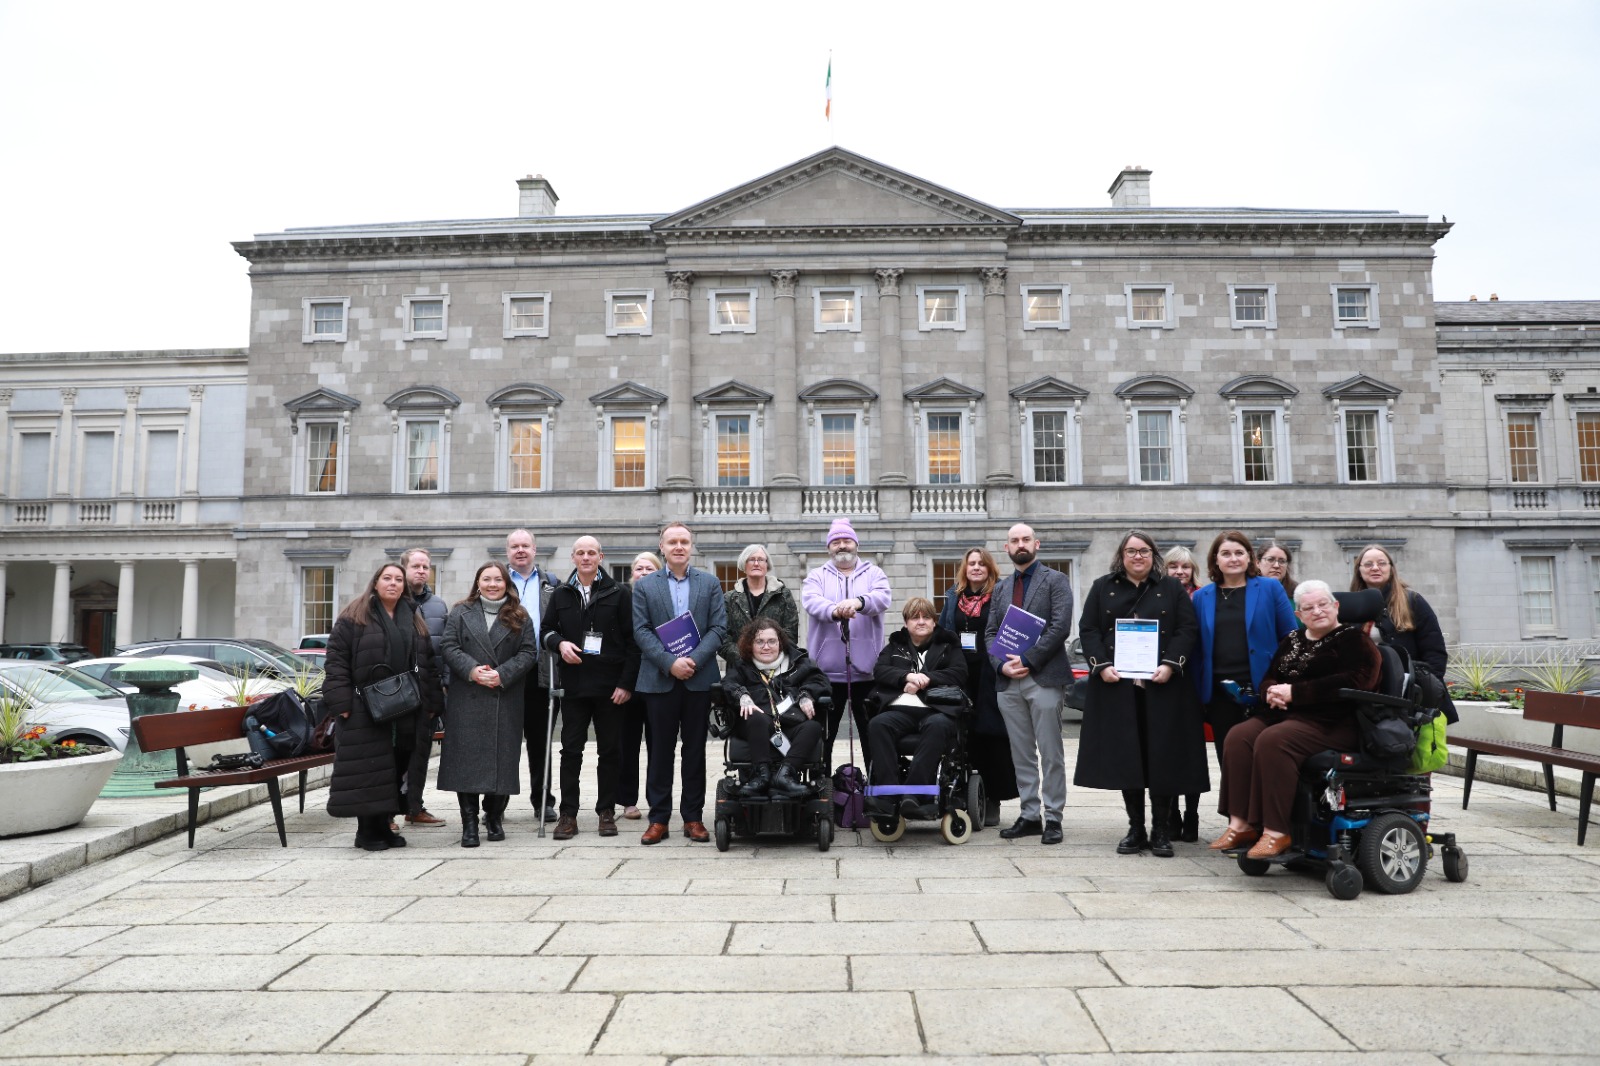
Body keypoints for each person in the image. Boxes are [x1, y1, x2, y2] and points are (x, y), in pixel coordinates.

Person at [1211, 579, 1382, 858]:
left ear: (1336, 606)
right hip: (1285, 715)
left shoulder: (1355, 640)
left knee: (1273, 740)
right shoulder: (1292, 639)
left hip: (1333, 721)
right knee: (1238, 736)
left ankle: (1276, 831)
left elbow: (1359, 680)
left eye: (1322, 604)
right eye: (1308, 608)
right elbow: (1269, 676)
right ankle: (1241, 824)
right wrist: (1272, 692)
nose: (1317, 611)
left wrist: (1296, 693)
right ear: (1299, 615)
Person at [1074, 530, 1209, 858]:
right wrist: (1101, 664)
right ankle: (1135, 828)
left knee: (1161, 756)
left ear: (1153, 555)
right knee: (1126, 757)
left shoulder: (1171, 587)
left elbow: (1186, 629)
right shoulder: (1102, 587)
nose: (1138, 557)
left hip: (1163, 685)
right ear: (1122, 555)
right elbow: (1089, 629)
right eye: (1132, 551)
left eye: (1144, 551)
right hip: (1117, 685)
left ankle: (1160, 829)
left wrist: (1170, 664)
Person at [323, 562, 444, 851]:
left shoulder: (414, 618)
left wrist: (432, 703)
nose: (393, 583)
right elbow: (336, 661)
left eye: (398, 579)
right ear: (375, 582)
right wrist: (342, 704)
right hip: (364, 707)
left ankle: (386, 825)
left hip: (406, 706)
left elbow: (427, 663)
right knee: (370, 769)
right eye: (387, 578)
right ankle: (367, 832)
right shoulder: (354, 616)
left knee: (396, 765)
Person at [1186, 531, 1298, 842]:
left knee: (1265, 754)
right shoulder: (1202, 597)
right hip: (1220, 692)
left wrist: (1284, 683)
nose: (1233, 558)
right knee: (1230, 759)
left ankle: (1269, 824)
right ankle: (1241, 824)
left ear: (1250, 558)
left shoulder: (1270, 588)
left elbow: (1290, 639)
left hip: (1264, 690)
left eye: (1239, 552)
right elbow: (1196, 650)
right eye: (1226, 553)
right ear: (1215, 561)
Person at [631, 521, 726, 844]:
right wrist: (670, 663)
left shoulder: (710, 583)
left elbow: (718, 628)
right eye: (672, 541)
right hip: (659, 680)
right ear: (662, 547)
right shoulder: (645, 586)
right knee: (659, 752)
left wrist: (694, 661)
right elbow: (641, 631)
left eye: (684, 541)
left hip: (699, 681)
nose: (679, 547)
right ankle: (658, 819)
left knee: (695, 751)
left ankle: (693, 818)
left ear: (691, 546)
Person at [541, 536, 640, 839]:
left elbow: (633, 642)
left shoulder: (619, 593)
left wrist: (626, 683)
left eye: (591, 553)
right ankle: (568, 814)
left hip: (611, 688)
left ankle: (606, 812)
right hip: (574, 686)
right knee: (571, 750)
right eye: (580, 553)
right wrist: (559, 644)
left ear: (601, 556)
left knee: (610, 751)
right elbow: (546, 632)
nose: (586, 557)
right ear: (573, 557)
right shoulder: (561, 594)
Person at [437, 562, 539, 847]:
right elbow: (449, 646)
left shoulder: (520, 616)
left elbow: (529, 652)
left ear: (506, 584)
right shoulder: (460, 612)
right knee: (466, 763)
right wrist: (472, 670)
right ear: (477, 582)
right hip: (467, 695)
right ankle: (468, 824)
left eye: (498, 579)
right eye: (486, 579)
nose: (492, 584)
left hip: (503, 696)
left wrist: (501, 674)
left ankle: (493, 817)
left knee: (502, 760)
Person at [985, 524, 1074, 845]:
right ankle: (1029, 814)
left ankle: (1053, 817)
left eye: (1025, 539)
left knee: (1051, 752)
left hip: (1044, 677)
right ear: (1006, 548)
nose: (1020, 544)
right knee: (1021, 752)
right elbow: (990, 632)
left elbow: (1060, 626)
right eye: (1014, 541)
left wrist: (1028, 660)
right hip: (1008, 681)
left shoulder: (1056, 580)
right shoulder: (1001, 588)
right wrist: (1001, 663)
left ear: (1035, 544)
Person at [801, 518, 892, 770]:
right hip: (826, 674)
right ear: (829, 548)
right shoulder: (816, 576)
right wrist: (836, 610)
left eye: (847, 540)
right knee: (823, 740)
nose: (842, 546)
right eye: (836, 542)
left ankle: (876, 793)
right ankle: (823, 794)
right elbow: (810, 601)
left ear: (856, 545)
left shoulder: (875, 573)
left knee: (872, 737)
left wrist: (858, 603)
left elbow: (883, 598)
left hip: (868, 672)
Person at [866, 597, 968, 820]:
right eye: (915, 617)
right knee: (877, 724)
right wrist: (906, 677)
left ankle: (914, 793)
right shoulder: (895, 645)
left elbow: (959, 673)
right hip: (900, 710)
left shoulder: (948, 645)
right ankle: (888, 794)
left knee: (938, 725)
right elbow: (880, 671)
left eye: (926, 617)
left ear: (934, 622)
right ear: (906, 623)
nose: (920, 622)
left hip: (936, 710)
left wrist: (926, 679)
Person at [937, 547, 1016, 827]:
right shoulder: (953, 595)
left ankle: (993, 798)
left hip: (991, 672)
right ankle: (962, 793)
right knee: (962, 735)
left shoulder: (1000, 595)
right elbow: (944, 631)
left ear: (990, 568)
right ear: (965, 568)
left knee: (992, 735)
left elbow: (1011, 631)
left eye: (982, 563)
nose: (976, 568)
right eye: (972, 563)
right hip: (960, 672)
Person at [722, 618, 831, 800]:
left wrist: (806, 695)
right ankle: (761, 775)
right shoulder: (742, 666)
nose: (766, 647)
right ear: (750, 645)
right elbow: (728, 683)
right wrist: (742, 695)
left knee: (812, 727)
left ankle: (785, 774)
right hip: (756, 725)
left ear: (780, 642)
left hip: (789, 721)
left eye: (772, 641)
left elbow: (820, 681)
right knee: (756, 717)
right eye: (760, 642)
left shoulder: (798, 663)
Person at [1350, 544, 1457, 723]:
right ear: (1359, 570)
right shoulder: (1352, 606)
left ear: (1391, 569)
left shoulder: (1412, 601)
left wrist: (1426, 687)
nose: (1375, 568)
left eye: (1382, 563)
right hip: (1366, 690)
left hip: (1409, 690)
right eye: (1368, 564)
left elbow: (1435, 651)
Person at [506, 528, 561, 822]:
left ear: (535, 550)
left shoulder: (551, 584)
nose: (520, 550)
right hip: (507, 673)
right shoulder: (495, 582)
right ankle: (497, 801)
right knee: (504, 740)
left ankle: (543, 801)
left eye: (525, 545)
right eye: (514, 546)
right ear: (508, 552)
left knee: (541, 742)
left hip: (542, 672)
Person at [399, 548, 447, 828]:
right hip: (397, 694)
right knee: (395, 754)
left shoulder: (439, 606)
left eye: (425, 567)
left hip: (427, 693)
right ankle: (386, 811)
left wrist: (443, 688)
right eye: (416, 566)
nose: (421, 571)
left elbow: (443, 650)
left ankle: (414, 807)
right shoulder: (388, 601)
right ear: (404, 568)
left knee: (420, 754)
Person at [617, 551, 660, 820]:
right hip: (628, 682)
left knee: (659, 745)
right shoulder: (623, 600)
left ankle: (657, 799)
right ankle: (627, 800)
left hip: (657, 679)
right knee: (626, 744)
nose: (643, 573)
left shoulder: (664, 599)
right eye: (639, 568)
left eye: (649, 569)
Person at [719, 544, 800, 672]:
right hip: (740, 669)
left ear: (767, 565)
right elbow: (723, 637)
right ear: (744, 565)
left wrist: (768, 655)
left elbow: (791, 634)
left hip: (776, 669)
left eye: (761, 559)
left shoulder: (783, 595)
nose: (756, 563)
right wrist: (744, 657)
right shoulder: (729, 599)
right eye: (751, 559)